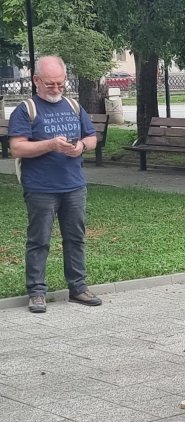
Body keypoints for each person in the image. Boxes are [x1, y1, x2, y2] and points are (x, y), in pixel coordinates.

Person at [8, 55, 103, 313]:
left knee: (76, 238)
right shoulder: (26, 109)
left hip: (73, 185)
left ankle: (78, 287)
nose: (57, 89)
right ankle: (37, 292)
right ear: (36, 80)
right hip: (40, 187)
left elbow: (92, 137)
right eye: (51, 84)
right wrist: (50, 144)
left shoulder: (73, 106)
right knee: (39, 240)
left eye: (61, 84)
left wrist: (81, 146)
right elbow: (17, 147)